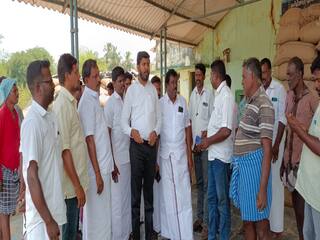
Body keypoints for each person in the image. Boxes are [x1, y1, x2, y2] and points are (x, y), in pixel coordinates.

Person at [21, 60, 66, 239]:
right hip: (41, 222)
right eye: (50, 82)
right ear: (38, 87)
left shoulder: (50, 116)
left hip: (54, 210)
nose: (54, 86)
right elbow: (31, 176)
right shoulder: (32, 123)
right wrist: (48, 221)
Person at [230, 58, 274, 240]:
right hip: (245, 171)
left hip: (255, 173)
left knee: (261, 225)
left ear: (254, 78)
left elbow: (267, 149)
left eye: (243, 77)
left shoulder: (264, 104)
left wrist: (262, 189)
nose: (242, 81)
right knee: (248, 221)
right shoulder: (250, 102)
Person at [121, 51, 161, 240]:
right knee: (136, 195)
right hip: (136, 148)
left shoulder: (153, 90)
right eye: (143, 64)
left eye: (148, 64)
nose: (146, 67)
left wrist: (156, 131)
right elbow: (123, 122)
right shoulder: (131, 91)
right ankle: (136, 235)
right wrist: (132, 132)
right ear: (137, 66)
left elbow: (159, 119)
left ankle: (150, 234)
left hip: (151, 147)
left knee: (149, 194)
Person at [281, 57, 319, 240]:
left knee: (306, 216)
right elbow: (287, 129)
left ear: (300, 75)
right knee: (298, 215)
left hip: (303, 166)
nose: (287, 78)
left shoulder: (312, 100)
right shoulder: (288, 96)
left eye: (290, 74)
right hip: (289, 163)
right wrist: (283, 159)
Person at [53, 53, 89, 240]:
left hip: (74, 188)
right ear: (67, 75)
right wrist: (77, 187)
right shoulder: (61, 106)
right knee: (68, 235)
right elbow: (64, 151)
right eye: (76, 72)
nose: (78, 76)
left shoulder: (70, 103)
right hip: (70, 191)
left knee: (73, 234)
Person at [78, 59, 114, 240]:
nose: (98, 78)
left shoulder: (94, 99)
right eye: (94, 76)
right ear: (85, 79)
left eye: (98, 74)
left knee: (104, 219)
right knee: (96, 222)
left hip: (104, 168)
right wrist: (98, 174)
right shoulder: (86, 103)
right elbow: (89, 139)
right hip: (95, 173)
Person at [199, 60, 234, 240]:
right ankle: (212, 235)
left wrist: (208, 140)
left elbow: (226, 130)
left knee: (222, 202)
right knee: (212, 199)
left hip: (221, 159)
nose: (209, 79)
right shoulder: (218, 96)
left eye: (210, 76)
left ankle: (224, 236)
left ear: (215, 75)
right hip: (213, 156)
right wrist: (208, 133)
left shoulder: (226, 96)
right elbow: (218, 125)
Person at [159, 69, 193, 240]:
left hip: (181, 154)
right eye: (172, 83)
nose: (175, 86)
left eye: (176, 83)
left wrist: (190, 154)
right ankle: (172, 233)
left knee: (184, 194)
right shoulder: (160, 104)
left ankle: (184, 233)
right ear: (166, 85)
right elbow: (156, 132)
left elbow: (188, 127)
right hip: (166, 156)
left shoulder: (183, 102)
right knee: (169, 197)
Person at [260, 58, 287, 238]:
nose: (263, 76)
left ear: (270, 71)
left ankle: (277, 228)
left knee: (276, 185)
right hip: (263, 145)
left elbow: (282, 118)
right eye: (260, 73)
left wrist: (276, 145)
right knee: (265, 182)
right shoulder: (260, 91)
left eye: (265, 72)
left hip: (276, 144)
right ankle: (267, 223)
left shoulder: (279, 89)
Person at [104, 66, 131, 240]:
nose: (122, 84)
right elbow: (107, 134)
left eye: (124, 81)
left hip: (129, 158)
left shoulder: (128, 100)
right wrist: (112, 162)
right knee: (117, 203)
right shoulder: (110, 104)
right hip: (117, 162)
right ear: (113, 83)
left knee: (127, 200)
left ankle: (127, 233)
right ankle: (118, 236)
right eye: (119, 81)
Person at [189, 63, 214, 237]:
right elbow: (190, 121)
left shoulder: (209, 94)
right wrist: (192, 143)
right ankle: (199, 217)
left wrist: (203, 138)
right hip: (195, 147)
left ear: (204, 76)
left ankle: (206, 223)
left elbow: (213, 120)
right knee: (198, 184)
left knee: (206, 184)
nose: (197, 78)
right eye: (196, 75)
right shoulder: (192, 95)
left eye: (200, 75)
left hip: (205, 147)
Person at [0, 78, 23, 239]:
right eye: (14, 91)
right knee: (4, 213)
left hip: (14, 170)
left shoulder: (15, 113)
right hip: (4, 171)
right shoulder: (2, 115)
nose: (17, 93)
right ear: (7, 94)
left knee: (10, 210)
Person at [150, 74, 162, 237]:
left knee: (160, 193)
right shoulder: (149, 108)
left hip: (162, 155)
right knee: (151, 193)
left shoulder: (162, 105)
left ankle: (160, 225)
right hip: (152, 156)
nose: (157, 92)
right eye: (155, 89)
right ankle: (154, 226)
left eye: (159, 89)